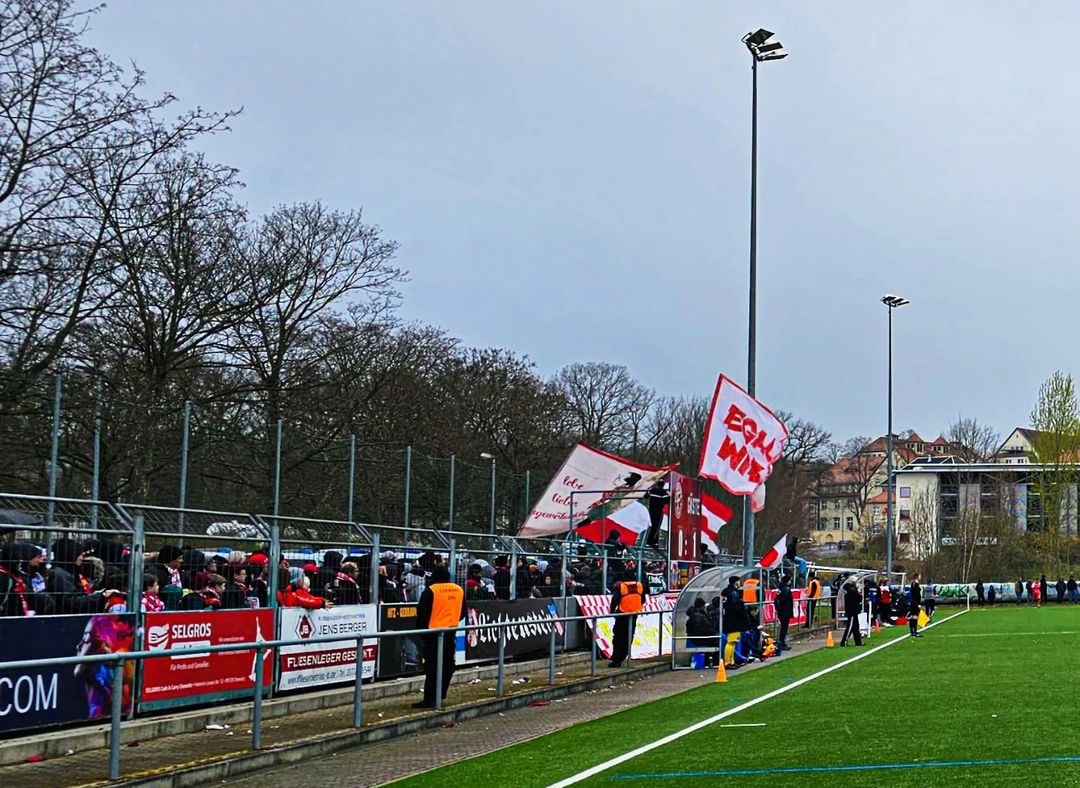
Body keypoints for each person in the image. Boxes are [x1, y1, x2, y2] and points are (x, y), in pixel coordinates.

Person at [414, 565, 466, 709]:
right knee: (448, 666)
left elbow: (422, 614)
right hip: (450, 632)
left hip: (433, 634)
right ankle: (440, 695)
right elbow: (463, 612)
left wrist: (422, 633)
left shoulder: (431, 591)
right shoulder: (459, 590)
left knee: (432, 668)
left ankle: (429, 698)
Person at [609, 569, 647, 668]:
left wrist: (612, 612)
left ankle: (616, 659)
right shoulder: (639, 585)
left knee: (618, 638)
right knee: (629, 637)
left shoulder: (621, 586)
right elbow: (643, 600)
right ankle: (623, 656)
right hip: (634, 614)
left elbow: (615, 600)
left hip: (622, 614)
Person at [685, 597, 718, 666]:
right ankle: (719, 660)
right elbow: (706, 629)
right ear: (701, 607)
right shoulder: (698, 616)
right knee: (721, 639)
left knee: (720, 637)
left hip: (699, 638)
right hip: (699, 639)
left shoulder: (697, 615)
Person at [644, 478, 669, 549]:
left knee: (653, 525)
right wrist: (669, 496)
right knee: (656, 526)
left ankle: (655, 541)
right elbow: (667, 502)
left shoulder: (652, 490)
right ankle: (650, 541)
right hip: (658, 511)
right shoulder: (664, 492)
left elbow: (645, 496)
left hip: (651, 510)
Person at [839, 582, 863, 646]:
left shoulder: (848, 591)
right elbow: (859, 598)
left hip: (852, 610)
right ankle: (844, 642)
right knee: (850, 626)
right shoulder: (852, 591)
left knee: (856, 627)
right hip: (852, 611)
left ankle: (858, 642)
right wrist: (859, 593)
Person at [775, 573, 794, 651]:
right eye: (790, 580)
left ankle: (781, 642)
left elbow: (776, 600)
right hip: (785, 611)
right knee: (784, 627)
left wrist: (777, 608)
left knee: (783, 627)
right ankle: (782, 643)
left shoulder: (780, 588)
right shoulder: (786, 589)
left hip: (781, 611)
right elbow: (784, 600)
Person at [908, 574, 923, 638]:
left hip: (913, 603)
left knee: (913, 617)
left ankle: (913, 632)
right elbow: (916, 595)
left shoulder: (913, 583)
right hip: (915, 603)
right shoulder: (915, 584)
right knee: (914, 617)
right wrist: (918, 604)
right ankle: (914, 632)